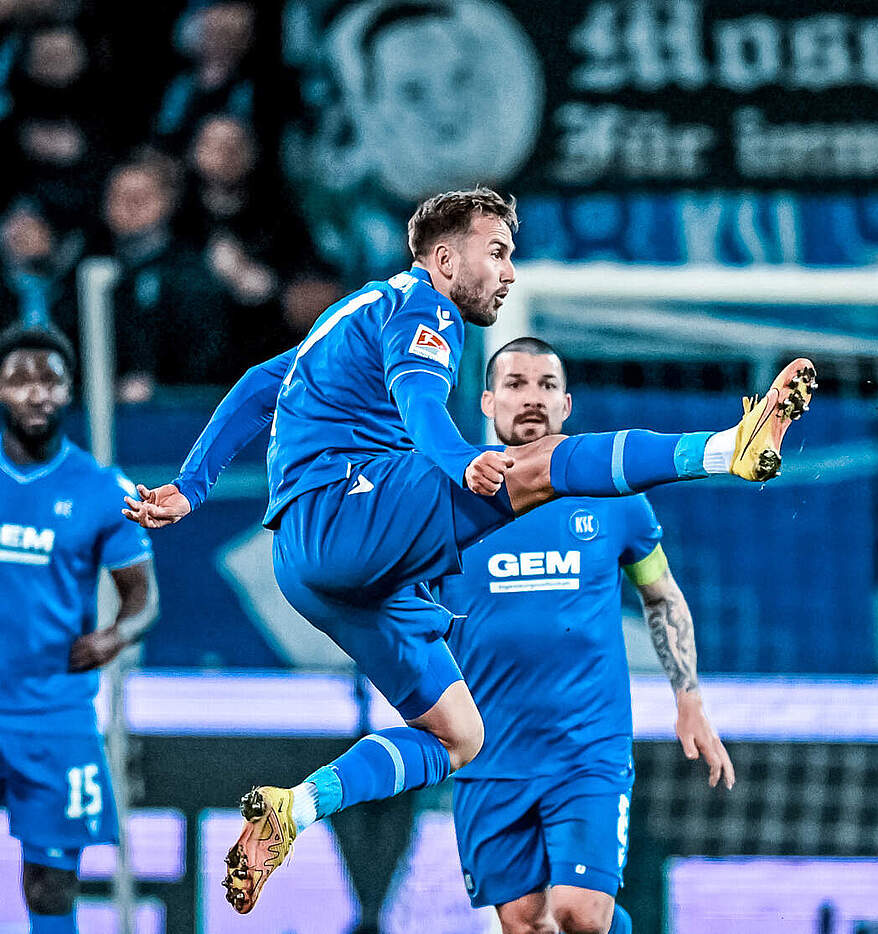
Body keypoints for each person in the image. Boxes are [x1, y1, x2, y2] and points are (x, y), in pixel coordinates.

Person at [120, 187, 814, 915]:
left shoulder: (354, 312)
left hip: (311, 564)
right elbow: (419, 398)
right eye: (498, 252)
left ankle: (295, 807)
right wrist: (458, 461)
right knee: (541, 464)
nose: (510, 272)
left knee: (458, 736)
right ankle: (725, 449)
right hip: (348, 510)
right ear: (446, 259)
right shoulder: (427, 307)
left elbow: (259, 384)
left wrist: (192, 486)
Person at [439, 337, 733, 934]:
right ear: (488, 402)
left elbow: (661, 594)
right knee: (525, 924)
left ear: (566, 404)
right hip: (489, 752)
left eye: (546, 385)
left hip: (587, 750)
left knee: (579, 912)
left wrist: (689, 697)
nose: (532, 398)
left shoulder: (613, 495)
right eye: (516, 384)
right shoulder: (448, 497)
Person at [0, 326, 158, 934]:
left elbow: (144, 599)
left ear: (70, 392)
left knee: (50, 885)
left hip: (54, 714)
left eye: (51, 380)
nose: (37, 393)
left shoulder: (101, 488)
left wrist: (115, 636)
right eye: (20, 380)